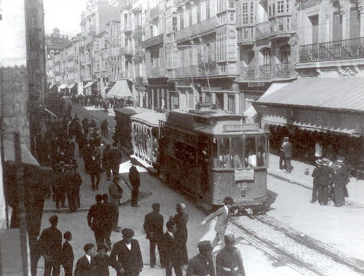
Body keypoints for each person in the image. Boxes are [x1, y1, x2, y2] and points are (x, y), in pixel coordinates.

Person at [143, 203, 165, 268]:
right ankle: (162, 263)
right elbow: (161, 227)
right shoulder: (160, 217)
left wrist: (149, 232)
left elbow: (145, 226)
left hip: (151, 236)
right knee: (161, 250)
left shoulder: (147, 216)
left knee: (152, 249)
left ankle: (152, 263)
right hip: (159, 236)